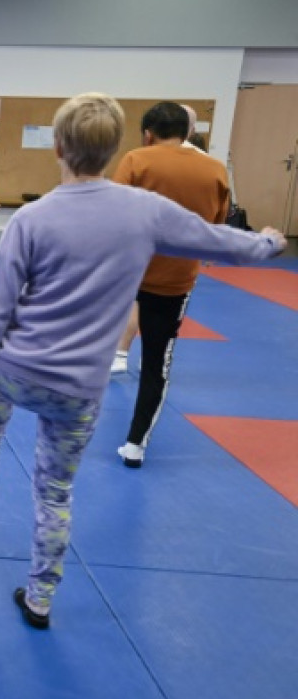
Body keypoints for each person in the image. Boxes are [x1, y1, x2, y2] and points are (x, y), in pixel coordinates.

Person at [0, 93, 284, 630]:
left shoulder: (31, 219)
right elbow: (218, 241)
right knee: (55, 494)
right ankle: (40, 597)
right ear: (117, 151)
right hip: (78, 389)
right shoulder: (145, 211)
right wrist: (268, 243)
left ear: (58, 146)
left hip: (19, 372)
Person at [111, 101, 232, 468]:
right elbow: (215, 223)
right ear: (189, 133)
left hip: (127, 271)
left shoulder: (136, 159)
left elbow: (114, 213)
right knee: (156, 364)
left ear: (148, 133)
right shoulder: (215, 169)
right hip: (176, 279)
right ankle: (136, 444)